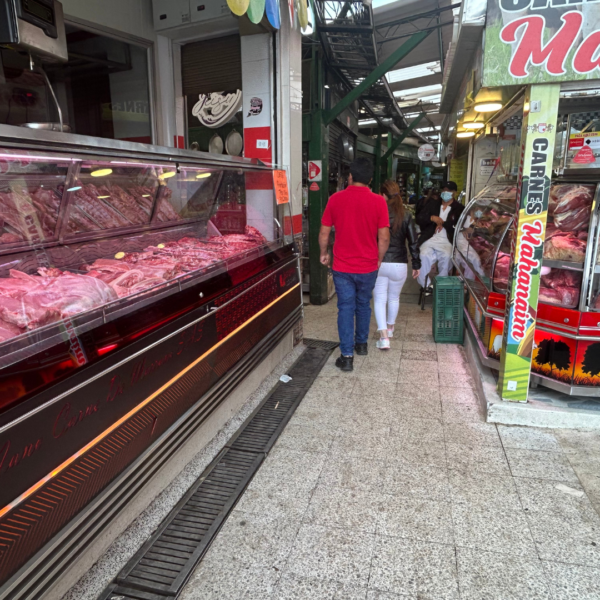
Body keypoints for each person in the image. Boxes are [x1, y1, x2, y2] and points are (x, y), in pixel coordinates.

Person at [319, 157, 390, 372]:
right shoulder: (379, 201)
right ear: (369, 179)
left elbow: (324, 232)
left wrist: (324, 253)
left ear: (349, 177)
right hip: (368, 266)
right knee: (363, 304)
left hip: (342, 267)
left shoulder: (335, 199)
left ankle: (347, 356)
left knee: (345, 308)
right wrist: (378, 258)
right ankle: (361, 345)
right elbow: (384, 237)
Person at [373, 181, 421, 350]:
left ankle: (384, 337)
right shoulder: (406, 214)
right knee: (394, 297)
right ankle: (390, 328)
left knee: (379, 299)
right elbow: (414, 242)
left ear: (383, 195)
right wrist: (416, 264)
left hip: (380, 262)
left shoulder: (378, 212)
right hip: (399, 263)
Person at [416, 181, 464, 289]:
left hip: (447, 241)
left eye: (449, 191)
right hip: (429, 238)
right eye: (444, 190)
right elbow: (419, 218)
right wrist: (432, 218)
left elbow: (460, 226)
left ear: (454, 193)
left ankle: (441, 287)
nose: (446, 192)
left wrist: (443, 223)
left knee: (447, 257)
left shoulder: (459, 209)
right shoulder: (432, 204)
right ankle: (426, 285)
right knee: (423, 256)